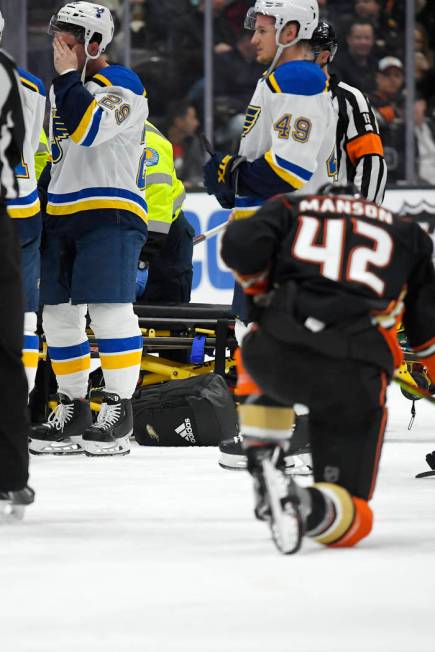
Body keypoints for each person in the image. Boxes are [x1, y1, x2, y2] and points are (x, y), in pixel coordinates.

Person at [220, 185, 435, 554]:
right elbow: (427, 336)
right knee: (353, 517)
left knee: (257, 344)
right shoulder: (407, 233)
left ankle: (262, 449)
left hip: (279, 350)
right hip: (354, 372)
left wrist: (259, 296)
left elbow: (238, 243)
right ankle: (305, 502)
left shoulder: (289, 205)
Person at [203, 0, 336, 470]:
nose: (253, 38)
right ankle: (282, 429)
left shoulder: (298, 78)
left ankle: (296, 434)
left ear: (291, 29)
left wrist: (236, 175)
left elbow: (291, 167)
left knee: (273, 328)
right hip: (275, 224)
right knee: (257, 327)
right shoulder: (281, 80)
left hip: (289, 226)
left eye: (261, 29)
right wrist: (231, 176)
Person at [30, 1, 149, 457]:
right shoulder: (64, 90)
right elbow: (61, 156)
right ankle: (73, 405)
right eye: (56, 35)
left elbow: (89, 130)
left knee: (109, 309)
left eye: (69, 37)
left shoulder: (122, 82)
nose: (58, 45)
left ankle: (120, 410)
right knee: (58, 315)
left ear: (94, 43)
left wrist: (64, 78)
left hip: (111, 210)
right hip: (62, 212)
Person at [1, 10, 47, 398]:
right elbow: (36, 151)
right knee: (25, 315)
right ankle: (20, 406)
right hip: (26, 204)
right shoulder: (31, 84)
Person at [0, 46, 35, 519]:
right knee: (5, 350)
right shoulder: (6, 69)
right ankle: (10, 476)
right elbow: (16, 146)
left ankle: (11, 476)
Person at [312, 20, 387, 203]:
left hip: (333, 215)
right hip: (287, 217)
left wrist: (362, 215)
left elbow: (372, 162)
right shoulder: (276, 94)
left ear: (324, 56)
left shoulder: (350, 99)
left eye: (302, 51)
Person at [135, 120, 194, 304]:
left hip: (164, 241)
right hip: (137, 235)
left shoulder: (148, 140)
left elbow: (157, 202)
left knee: (167, 320)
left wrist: (143, 258)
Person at [369, 56, 405, 182]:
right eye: (387, 75)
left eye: (397, 75)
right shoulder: (366, 101)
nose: (392, 79)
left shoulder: (407, 101)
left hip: (404, 169)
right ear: (377, 77)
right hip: (375, 167)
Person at [332, 19, 378, 95]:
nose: (363, 42)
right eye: (358, 37)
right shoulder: (336, 65)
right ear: (349, 39)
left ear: (373, 40)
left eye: (367, 38)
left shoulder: (376, 65)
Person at [166, 100, 203, 189]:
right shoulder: (156, 142)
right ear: (179, 121)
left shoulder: (193, 143)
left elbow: (197, 175)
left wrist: (190, 183)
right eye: (192, 118)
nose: (196, 123)